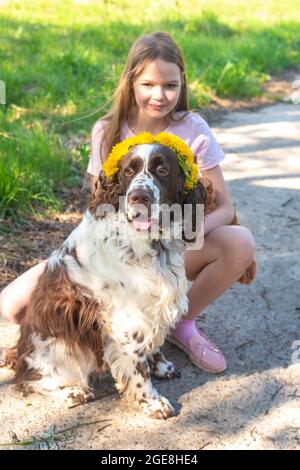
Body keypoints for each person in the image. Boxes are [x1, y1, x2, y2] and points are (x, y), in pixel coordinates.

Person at [0, 32, 255, 373]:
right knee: (13, 306)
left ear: (182, 85)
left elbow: (224, 208)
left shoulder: (193, 128)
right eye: (148, 83)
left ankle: (180, 322)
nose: (159, 95)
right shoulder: (107, 130)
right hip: (120, 250)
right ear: (131, 81)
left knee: (240, 242)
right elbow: (99, 207)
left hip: (176, 245)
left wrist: (178, 234)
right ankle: (60, 345)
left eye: (170, 85)